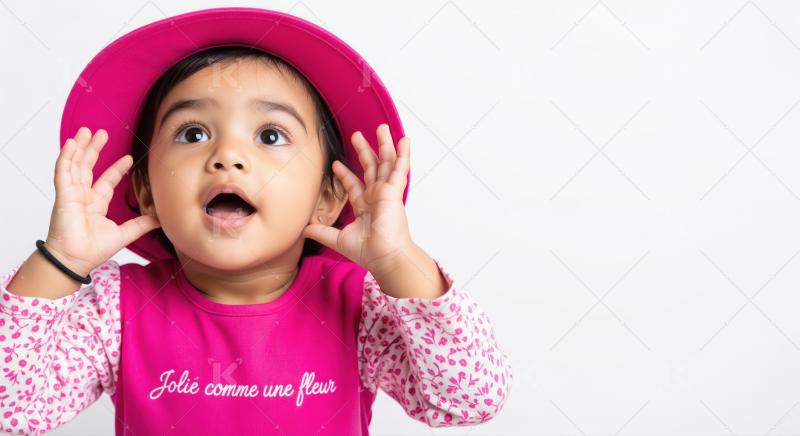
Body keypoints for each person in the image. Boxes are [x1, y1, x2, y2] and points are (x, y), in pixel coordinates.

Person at [0, 7, 512, 435]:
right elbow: (14, 407)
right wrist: (60, 260)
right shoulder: (115, 310)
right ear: (146, 192)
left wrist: (400, 262)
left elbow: (471, 398)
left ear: (327, 197)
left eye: (269, 136)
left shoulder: (359, 305)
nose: (227, 155)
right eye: (193, 132)